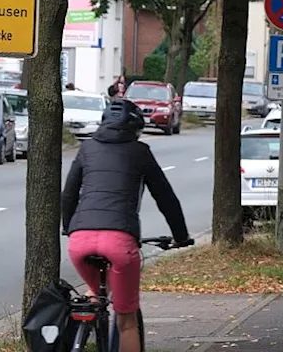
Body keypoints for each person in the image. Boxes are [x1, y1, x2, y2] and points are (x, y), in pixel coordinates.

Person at [61, 98, 191, 352]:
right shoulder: (140, 152)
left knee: (94, 292)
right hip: (119, 242)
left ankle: (78, 335)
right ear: (136, 129)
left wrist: (69, 227)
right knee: (126, 320)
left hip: (79, 241)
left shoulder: (87, 149)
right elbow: (165, 197)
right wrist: (181, 236)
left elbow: (69, 194)